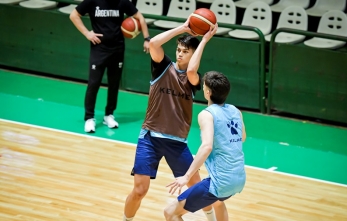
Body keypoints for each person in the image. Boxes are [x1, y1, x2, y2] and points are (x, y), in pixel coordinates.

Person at [122, 17, 218, 221]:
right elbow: (154, 44)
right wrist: (183, 28)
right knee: (140, 190)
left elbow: (191, 70)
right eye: (179, 50)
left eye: (186, 51)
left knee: (198, 187)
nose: (180, 54)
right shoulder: (162, 67)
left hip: (177, 143)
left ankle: (210, 218)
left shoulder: (193, 79)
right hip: (150, 138)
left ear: (193, 55)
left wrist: (204, 40)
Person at [165, 71, 247, 221]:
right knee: (217, 201)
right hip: (239, 179)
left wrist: (187, 176)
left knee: (170, 212)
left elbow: (207, 146)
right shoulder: (235, 111)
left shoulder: (206, 114)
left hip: (221, 182)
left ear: (208, 92)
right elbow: (242, 137)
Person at [69, 0, 150, 133]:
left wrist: (147, 39)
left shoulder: (122, 2)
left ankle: (109, 115)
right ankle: (89, 118)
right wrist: (87, 33)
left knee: (114, 84)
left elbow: (140, 17)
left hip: (117, 48)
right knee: (93, 83)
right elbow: (73, 15)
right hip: (99, 49)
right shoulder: (92, 1)